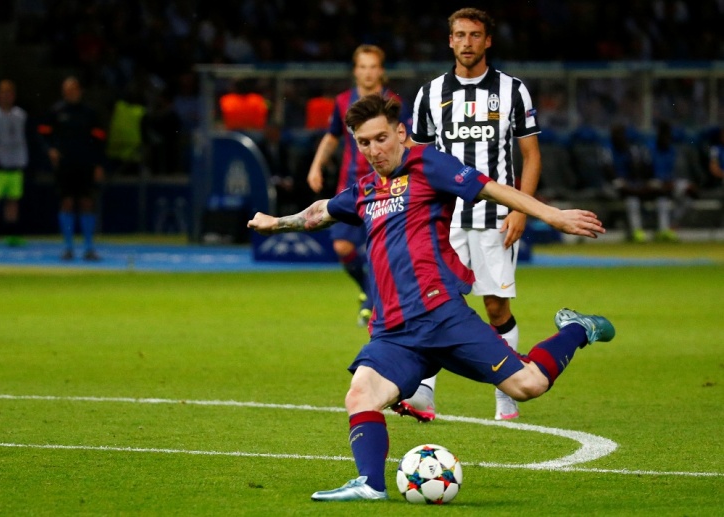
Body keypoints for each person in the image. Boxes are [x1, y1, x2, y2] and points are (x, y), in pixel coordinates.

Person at [248, 93, 615, 502]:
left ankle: (577, 329)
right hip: (394, 331)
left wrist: (552, 214)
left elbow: (491, 189)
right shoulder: (366, 189)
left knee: (528, 385)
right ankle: (370, 484)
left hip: (442, 316)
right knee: (361, 394)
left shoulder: (429, 165)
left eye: (381, 138)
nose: (374, 150)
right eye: (364, 142)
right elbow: (321, 212)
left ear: (400, 132)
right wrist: (276, 223)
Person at [405, 7, 542, 422]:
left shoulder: (513, 90)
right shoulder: (430, 93)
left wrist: (520, 209)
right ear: (450, 41)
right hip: (442, 220)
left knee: (496, 308)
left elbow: (531, 156)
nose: (467, 42)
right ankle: (425, 391)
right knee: (434, 303)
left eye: (475, 35)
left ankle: (506, 393)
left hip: (495, 218)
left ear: (488, 41)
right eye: (460, 35)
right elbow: (418, 160)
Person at [306, 44, 411, 327]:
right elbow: (332, 137)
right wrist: (316, 166)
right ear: (355, 71)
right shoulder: (343, 101)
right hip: (351, 186)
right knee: (342, 247)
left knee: (381, 250)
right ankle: (367, 288)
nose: (368, 73)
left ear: (381, 71)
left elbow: (408, 141)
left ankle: (372, 304)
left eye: (373, 66)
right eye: (362, 67)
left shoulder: (394, 103)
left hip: (387, 187)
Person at [38, 76, 106, 260]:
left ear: (80, 91)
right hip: (65, 165)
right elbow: (43, 134)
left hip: (85, 164)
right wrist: (50, 150)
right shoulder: (56, 111)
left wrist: (99, 164)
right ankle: (68, 247)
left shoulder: (89, 113)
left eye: (73, 89)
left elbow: (99, 140)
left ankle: (89, 247)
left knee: (87, 203)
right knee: (66, 202)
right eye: (67, 90)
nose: (70, 93)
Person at [0, 79, 29, 247]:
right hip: (0, 165)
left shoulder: (21, 115)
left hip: (15, 165)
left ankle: (11, 235)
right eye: (3, 93)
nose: (6, 96)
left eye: (9, 93)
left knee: (13, 201)